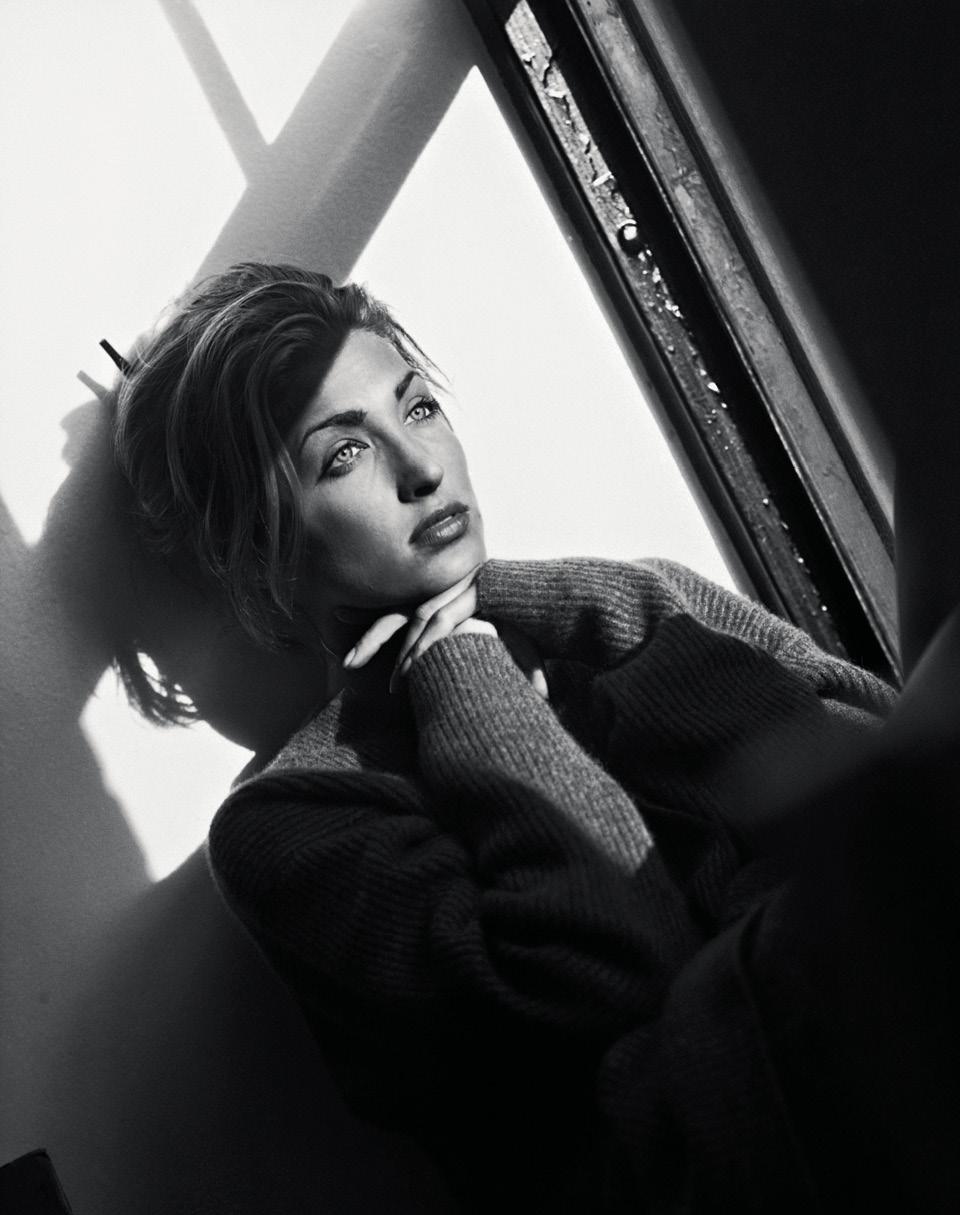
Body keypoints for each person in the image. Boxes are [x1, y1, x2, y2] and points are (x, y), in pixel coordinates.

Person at [111, 262, 897, 1211]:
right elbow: (616, 968)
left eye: (418, 406)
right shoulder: (296, 820)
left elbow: (898, 790)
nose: (423, 467)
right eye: (344, 454)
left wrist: (580, 608)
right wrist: (462, 676)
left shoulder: (629, 603)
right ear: (257, 550)